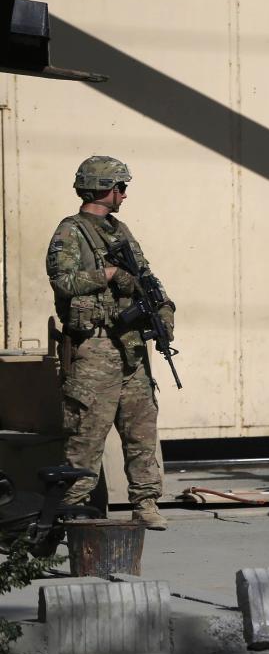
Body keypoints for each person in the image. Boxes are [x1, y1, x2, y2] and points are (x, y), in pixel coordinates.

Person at [47, 156, 175, 530]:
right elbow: (63, 282)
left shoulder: (121, 231)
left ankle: (146, 502)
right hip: (94, 350)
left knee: (141, 429)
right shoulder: (70, 232)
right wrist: (109, 274)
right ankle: (72, 509)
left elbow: (148, 277)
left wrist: (164, 311)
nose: (123, 194)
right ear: (104, 188)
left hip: (131, 348)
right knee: (86, 435)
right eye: (120, 187)